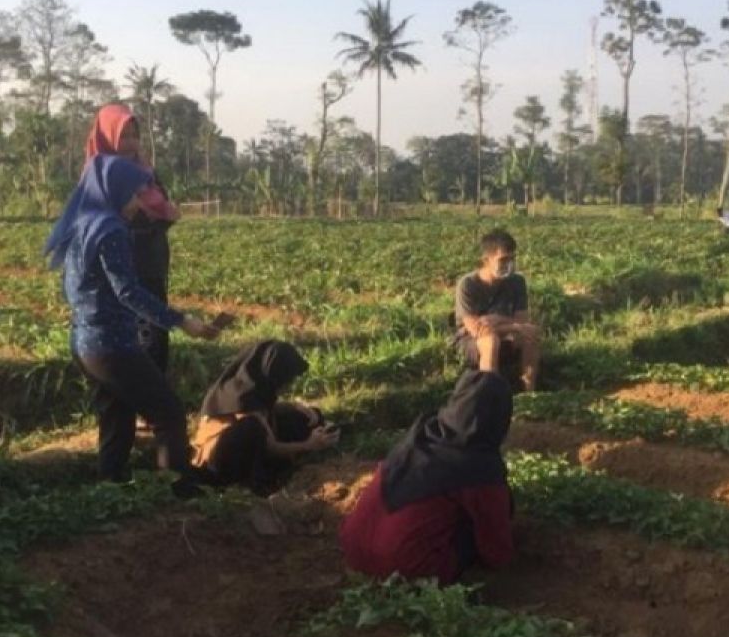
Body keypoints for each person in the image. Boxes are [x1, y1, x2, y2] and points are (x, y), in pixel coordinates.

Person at [44, 154, 218, 490]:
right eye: (136, 194)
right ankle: (176, 492)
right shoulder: (111, 230)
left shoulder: (83, 225)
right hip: (113, 345)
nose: (140, 204)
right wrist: (181, 321)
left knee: (117, 419)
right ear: (117, 190)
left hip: (84, 342)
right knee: (168, 414)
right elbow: (129, 292)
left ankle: (110, 488)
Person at [339, 371, 515, 585]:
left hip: (353, 549)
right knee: (476, 524)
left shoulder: (423, 433)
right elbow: (497, 553)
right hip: (401, 569)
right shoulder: (480, 466)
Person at [84, 104, 180, 386]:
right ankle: (144, 400)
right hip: (122, 268)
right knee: (138, 334)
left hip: (151, 260)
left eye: (134, 135)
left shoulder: (145, 170)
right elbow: (114, 223)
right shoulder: (101, 175)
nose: (131, 143)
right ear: (107, 136)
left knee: (156, 332)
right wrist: (157, 217)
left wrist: (161, 217)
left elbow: (159, 207)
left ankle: (153, 398)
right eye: (123, 136)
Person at [191, 340, 340, 494]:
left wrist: (297, 408)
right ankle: (254, 485)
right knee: (253, 427)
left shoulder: (251, 387)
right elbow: (271, 447)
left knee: (300, 416)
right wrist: (309, 444)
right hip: (217, 467)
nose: (288, 385)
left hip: (250, 444)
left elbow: (264, 409)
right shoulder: (240, 398)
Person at [454, 229, 540, 392]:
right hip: (469, 340)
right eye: (503, 260)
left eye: (512, 259)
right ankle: (489, 395)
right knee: (490, 340)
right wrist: (512, 326)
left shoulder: (517, 282)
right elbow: (476, 328)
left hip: (506, 333)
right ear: (486, 260)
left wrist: (498, 320)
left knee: (531, 335)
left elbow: (522, 320)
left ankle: (530, 392)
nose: (509, 264)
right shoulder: (467, 284)